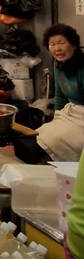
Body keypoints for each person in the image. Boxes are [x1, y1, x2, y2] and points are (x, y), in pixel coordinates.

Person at [36, 24, 84, 162]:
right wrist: (57, 118)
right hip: (70, 113)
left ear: (74, 45)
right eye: (52, 44)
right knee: (41, 133)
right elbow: (60, 96)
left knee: (58, 139)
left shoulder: (82, 67)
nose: (57, 49)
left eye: (61, 43)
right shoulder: (58, 65)